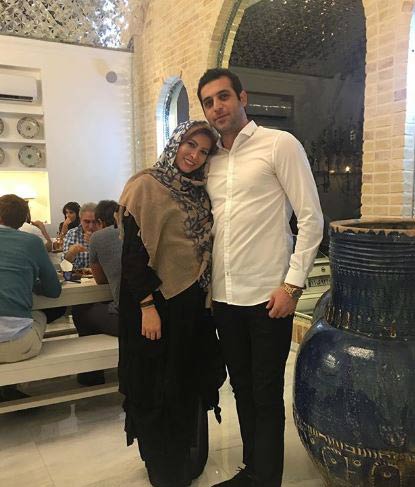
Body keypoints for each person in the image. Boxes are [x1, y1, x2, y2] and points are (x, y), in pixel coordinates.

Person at [198, 68, 324, 487]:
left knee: (266, 392)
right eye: (208, 102)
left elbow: (311, 219)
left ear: (242, 97)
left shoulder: (279, 144)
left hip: (269, 296)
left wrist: (292, 286)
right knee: (242, 388)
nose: (217, 107)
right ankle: (252, 469)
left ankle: (265, 478)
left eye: (223, 97)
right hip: (225, 297)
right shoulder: (212, 160)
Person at [118, 120, 226, 487]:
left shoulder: (199, 192)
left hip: (192, 308)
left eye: (203, 151)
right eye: (189, 145)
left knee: (185, 384)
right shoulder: (145, 186)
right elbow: (132, 255)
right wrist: (147, 306)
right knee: (155, 388)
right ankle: (163, 469)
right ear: (176, 142)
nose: (194, 155)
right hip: (156, 305)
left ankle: (186, 459)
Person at [0, 194, 61, 400]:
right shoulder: (32, 242)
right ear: (23, 220)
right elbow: (54, 291)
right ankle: (11, 385)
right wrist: (30, 283)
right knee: (38, 316)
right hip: (17, 345)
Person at [71, 199, 121, 386]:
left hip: (128, 317)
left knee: (80, 310)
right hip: (156, 311)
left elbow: (101, 280)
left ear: (100, 222)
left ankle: (91, 373)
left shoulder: (99, 238)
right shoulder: (139, 232)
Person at [62, 202, 97, 269]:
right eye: (87, 222)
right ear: (80, 220)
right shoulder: (72, 233)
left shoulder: (104, 234)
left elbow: (111, 262)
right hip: (77, 274)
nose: (91, 226)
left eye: (94, 222)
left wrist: (95, 244)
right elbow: (65, 265)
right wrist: (71, 253)